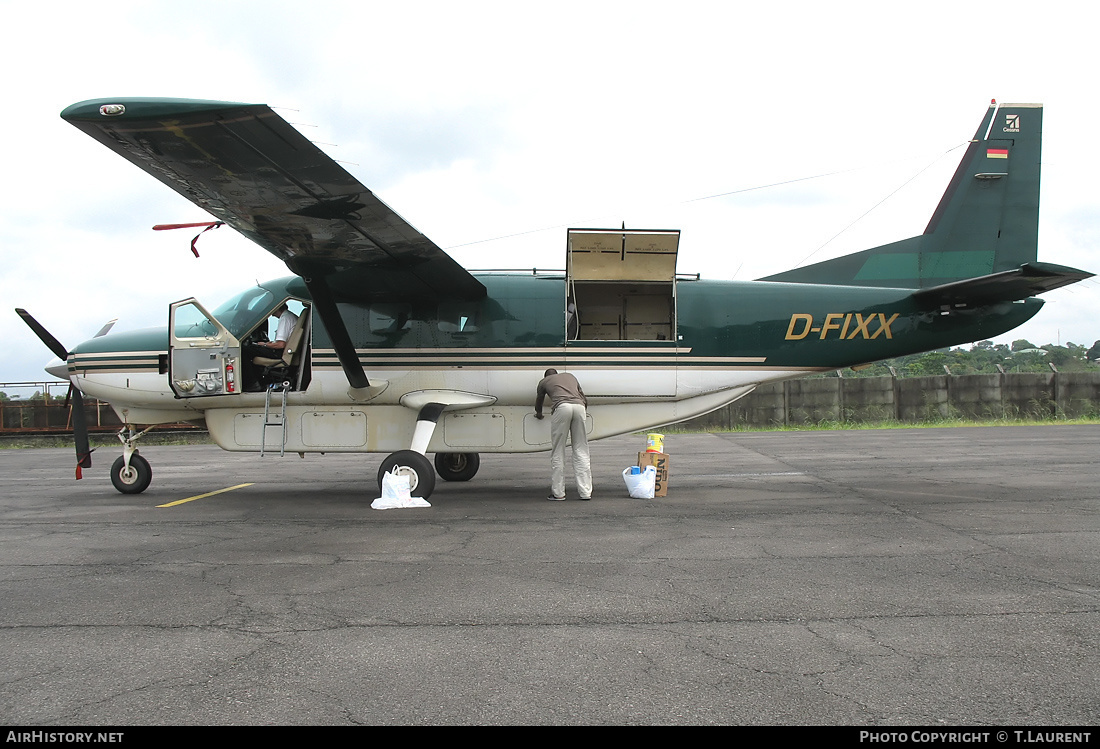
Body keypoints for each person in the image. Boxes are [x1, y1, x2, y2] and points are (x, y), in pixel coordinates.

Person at [534, 368, 592, 501]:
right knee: (581, 449)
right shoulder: (570, 376)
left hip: (562, 408)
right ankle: (585, 492)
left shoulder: (543, 382)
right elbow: (583, 396)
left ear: (546, 376)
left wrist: (538, 414)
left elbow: (539, 400)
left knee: (558, 450)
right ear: (557, 374)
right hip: (579, 407)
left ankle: (558, 493)